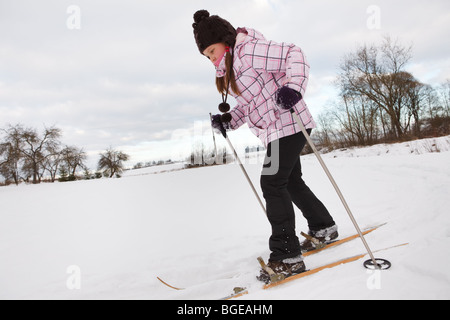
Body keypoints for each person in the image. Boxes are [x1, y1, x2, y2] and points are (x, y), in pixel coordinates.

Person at [192, 10, 338, 281]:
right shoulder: (232, 68)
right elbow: (248, 105)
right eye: (207, 56)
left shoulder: (249, 50)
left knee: (272, 182)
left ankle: (287, 256)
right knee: (290, 182)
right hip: (274, 131)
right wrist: (228, 120)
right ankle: (323, 227)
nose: (211, 58)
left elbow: (293, 53)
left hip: (289, 122)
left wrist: (293, 87)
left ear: (225, 40)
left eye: (212, 50)